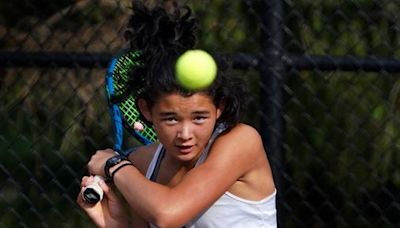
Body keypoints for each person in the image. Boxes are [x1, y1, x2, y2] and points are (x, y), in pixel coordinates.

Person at [77, 1, 277, 227]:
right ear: (146, 110)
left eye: (199, 117)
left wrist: (114, 165)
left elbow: (167, 214)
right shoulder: (141, 164)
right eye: (171, 118)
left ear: (219, 108)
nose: (185, 134)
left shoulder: (241, 141)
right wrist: (117, 224)